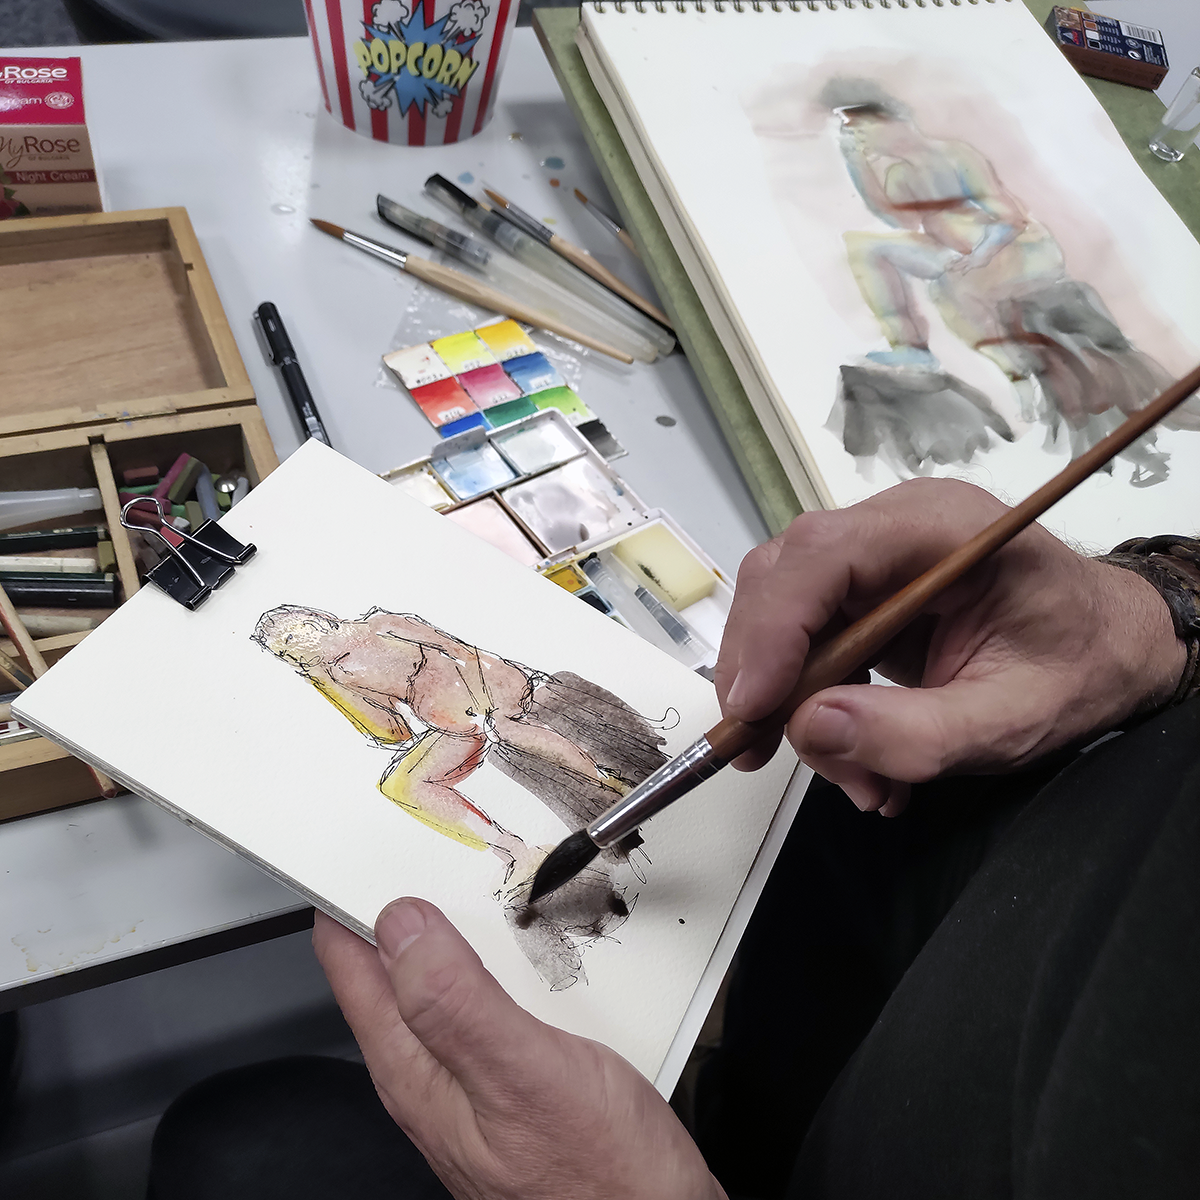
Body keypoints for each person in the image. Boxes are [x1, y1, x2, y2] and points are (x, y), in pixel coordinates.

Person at [150, 479, 1200, 1199]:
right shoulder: (334, 667)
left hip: (805, 1133)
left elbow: (446, 652)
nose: (298, 641)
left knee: (239, 1144)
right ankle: (507, 845)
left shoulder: (384, 622)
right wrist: (1153, 614)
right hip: (884, 885)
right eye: (286, 644)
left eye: (293, 633)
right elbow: (389, 731)